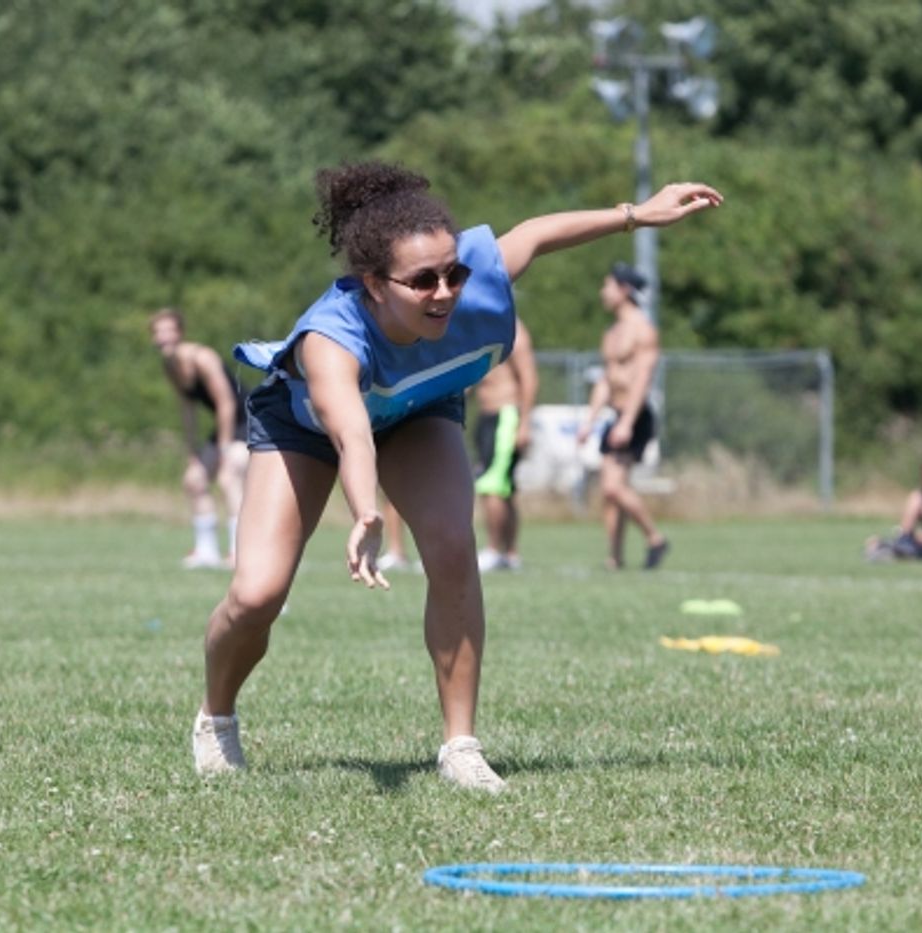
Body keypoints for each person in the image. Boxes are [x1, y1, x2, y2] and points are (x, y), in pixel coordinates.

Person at [191, 160, 722, 790]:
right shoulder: (331, 340)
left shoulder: (473, 279)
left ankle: (461, 747)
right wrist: (366, 510)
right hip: (306, 428)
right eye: (423, 281)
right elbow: (352, 433)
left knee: (450, 542)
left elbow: (537, 234)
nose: (445, 291)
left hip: (417, 409)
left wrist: (638, 213)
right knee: (257, 594)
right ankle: (216, 717)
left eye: (453, 272)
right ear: (374, 284)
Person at [578, 262, 668, 570]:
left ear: (624, 289)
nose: (603, 292)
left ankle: (655, 537)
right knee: (609, 492)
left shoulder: (642, 330)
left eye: (608, 285)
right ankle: (615, 557)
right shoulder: (612, 332)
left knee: (613, 487)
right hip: (614, 415)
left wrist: (627, 422)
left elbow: (643, 378)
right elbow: (606, 380)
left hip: (635, 416)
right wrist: (590, 421)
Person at [149, 308, 250, 569]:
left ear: (180, 333)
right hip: (224, 427)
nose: (164, 337)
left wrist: (225, 450)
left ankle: (240, 552)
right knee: (194, 480)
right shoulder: (170, 366)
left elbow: (226, 403)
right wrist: (192, 451)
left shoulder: (202, 358)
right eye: (158, 332)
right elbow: (187, 407)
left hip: (248, 421)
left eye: (169, 331)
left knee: (229, 478)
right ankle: (207, 552)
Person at [474, 317, 538, 572]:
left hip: (506, 415)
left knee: (492, 485)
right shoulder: (481, 327)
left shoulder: (514, 329)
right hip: (487, 415)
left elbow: (529, 377)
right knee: (504, 488)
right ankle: (510, 553)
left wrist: (525, 423)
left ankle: (493, 550)